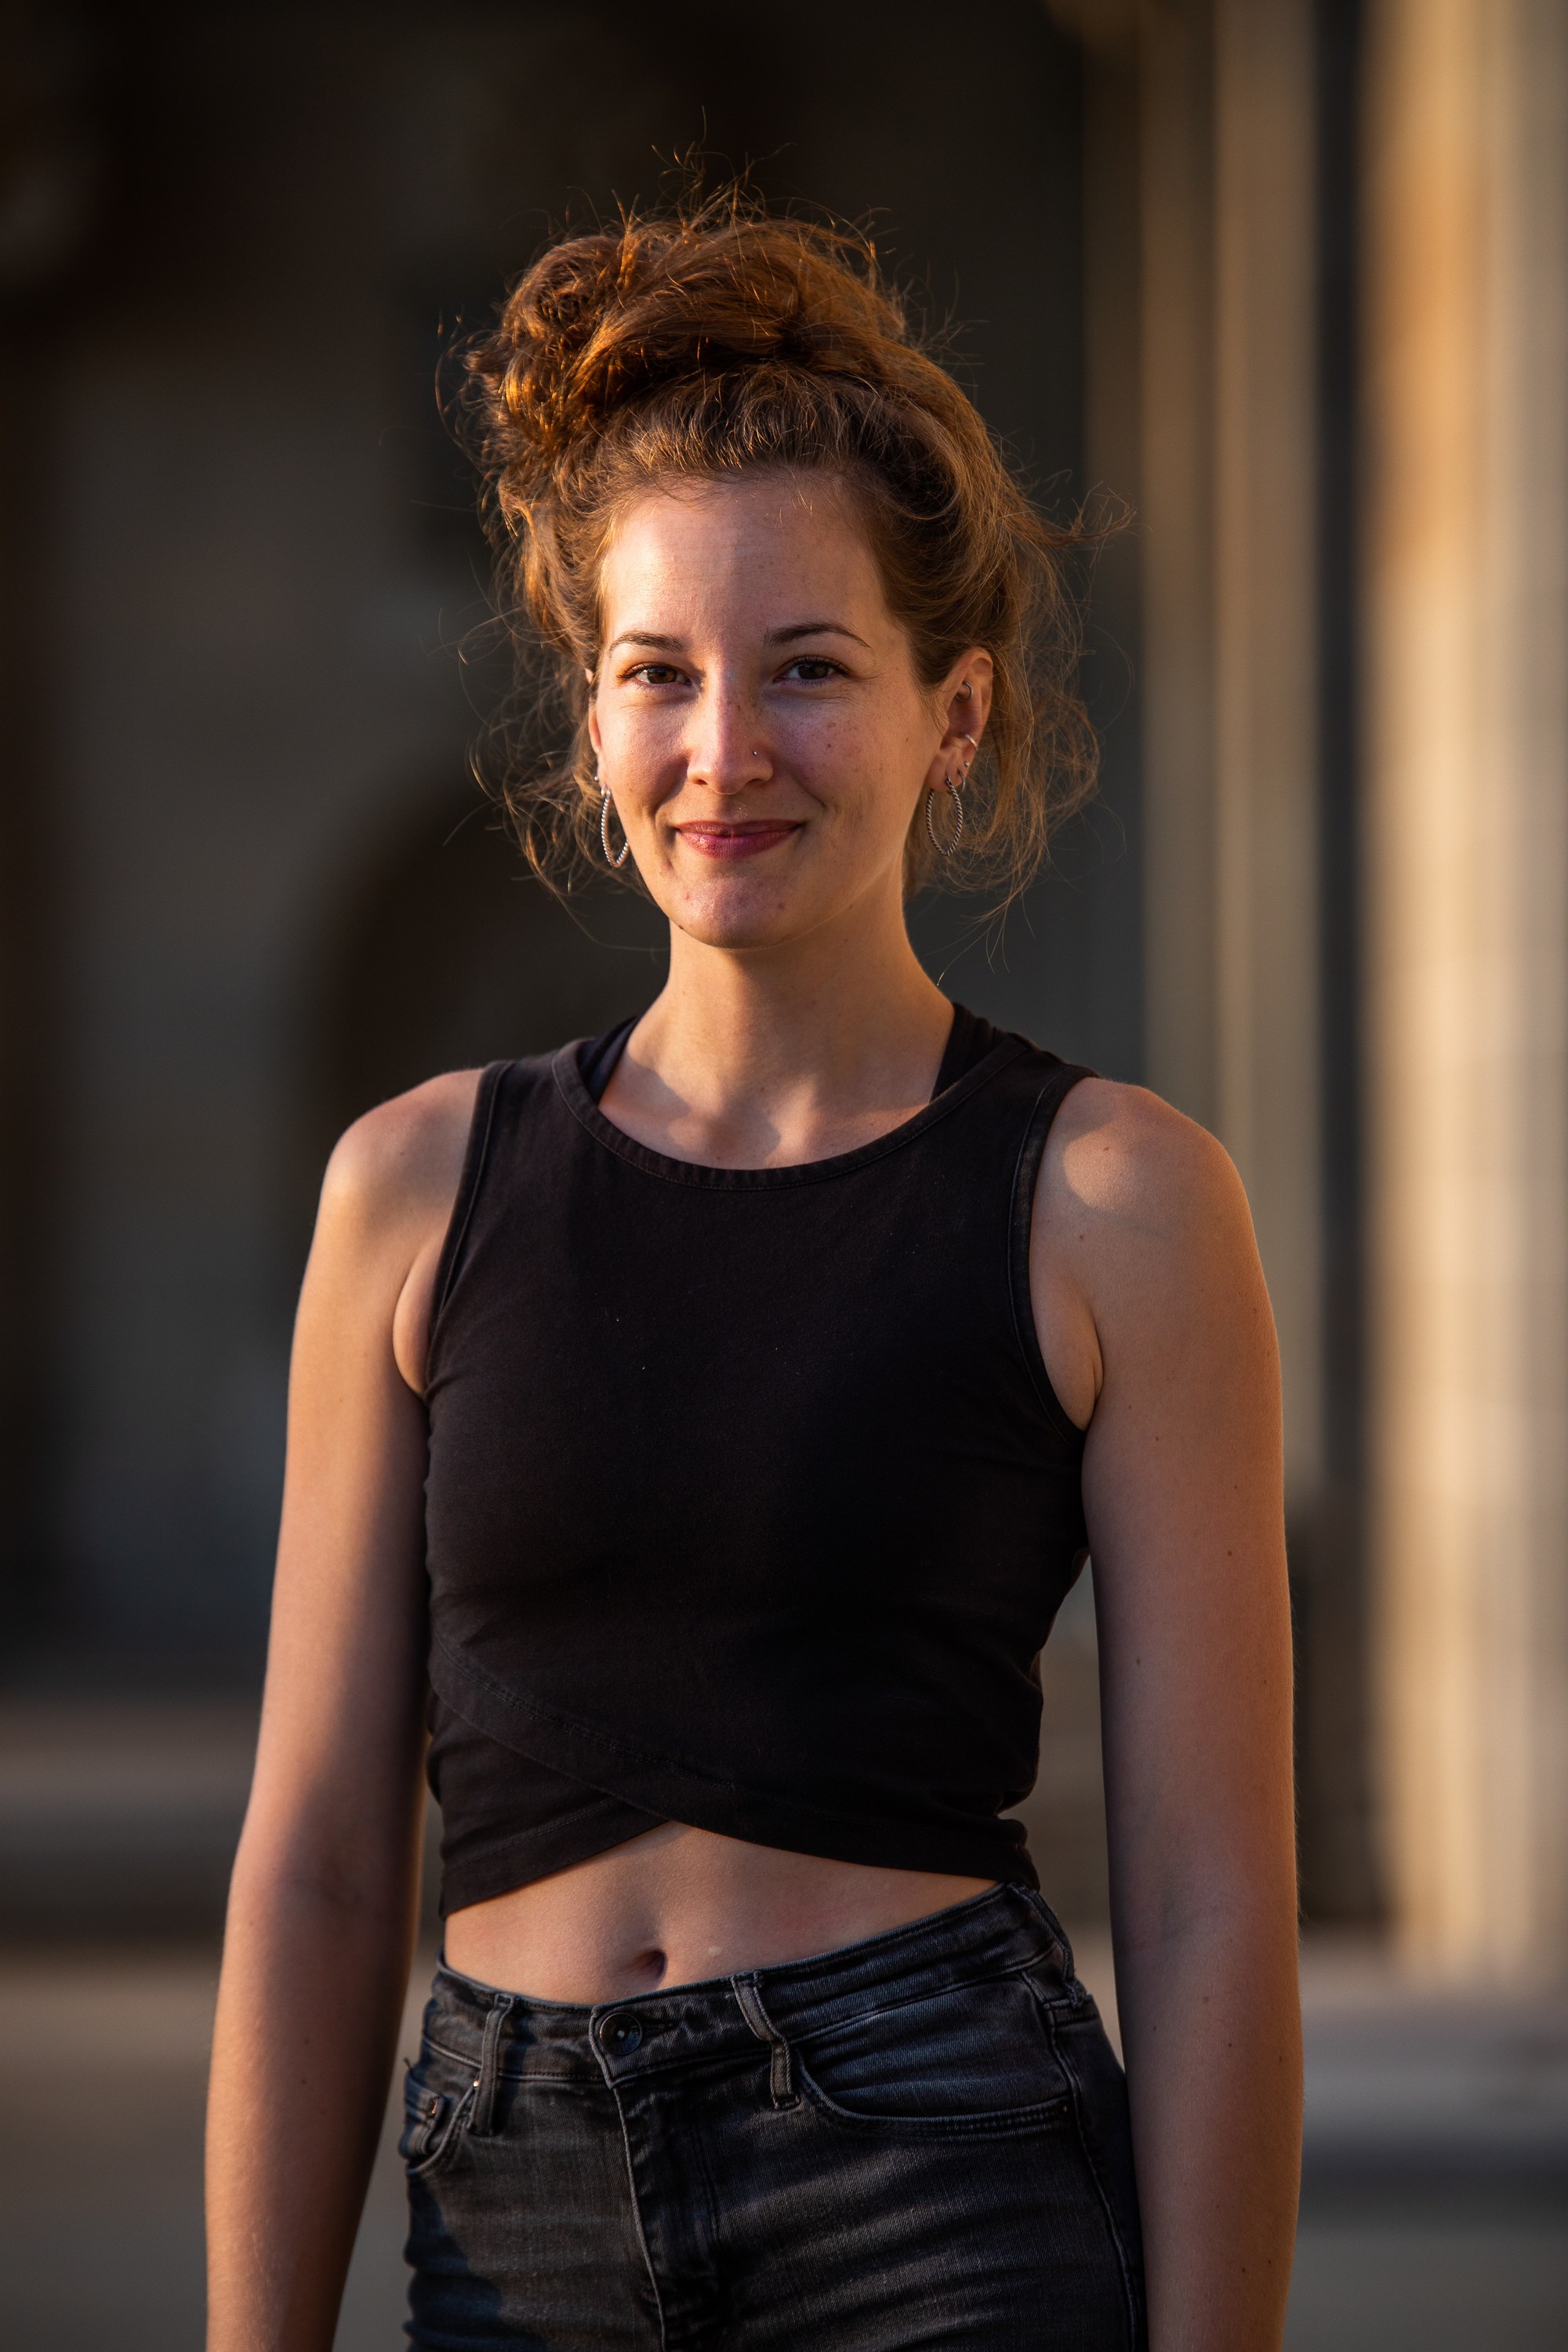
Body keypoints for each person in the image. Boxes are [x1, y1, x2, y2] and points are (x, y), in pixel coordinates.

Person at [205, 200, 1301, 2352]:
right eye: (658, 676)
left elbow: (1208, 1898)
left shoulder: (1114, 1200)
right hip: (504, 2204)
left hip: (941, 2185)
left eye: (808, 668)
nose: (726, 751)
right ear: (595, 714)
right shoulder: (414, 1188)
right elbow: (323, 1858)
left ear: (952, 713)